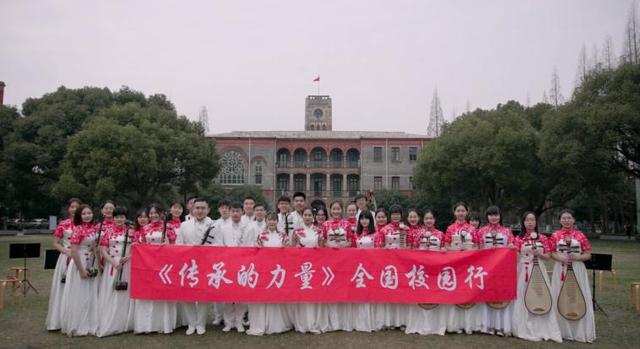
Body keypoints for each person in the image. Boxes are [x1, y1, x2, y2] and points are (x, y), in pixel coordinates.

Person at [512, 212, 562, 343]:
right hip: (524, 269)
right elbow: (516, 258)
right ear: (523, 222)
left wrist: (539, 253)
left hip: (539, 268)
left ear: (536, 222)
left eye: (532, 220)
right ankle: (523, 325)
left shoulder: (543, 238)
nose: (530, 222)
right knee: (523, 296)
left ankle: (541, 325)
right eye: (527, 220)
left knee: (540, 294)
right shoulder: (518, 238)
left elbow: (548, 256)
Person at [549, 209, 595, 343]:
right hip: (561, 269)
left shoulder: (580, 235)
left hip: (577, 268)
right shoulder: (555, 235)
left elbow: (588, 254)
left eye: (569, 218)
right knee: (560, 295)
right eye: (563, 218)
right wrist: (560, 258)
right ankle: (561, 330)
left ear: (574, 220)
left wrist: (578, 257)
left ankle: (578, 330)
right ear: (559, 220)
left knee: (577, 295)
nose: (566, 220)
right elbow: (551, 253)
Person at [133, 204, 177, 334]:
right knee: (148, 293)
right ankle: (147, 324)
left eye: (156, 213)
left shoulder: (168, 226)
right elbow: (141, 245)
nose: (153, 215)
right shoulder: (145, 228)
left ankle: (163, 324)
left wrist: (167, 245)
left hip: (164, 264)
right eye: (151, 213)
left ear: (162, 213)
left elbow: (174, 245)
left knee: (162, 292)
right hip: (148, 264)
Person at [247, 213, 292, 335]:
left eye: (274, 220)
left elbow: (288, 253)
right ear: (266, 221)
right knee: (263, 296)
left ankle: (276, 323)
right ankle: (262, 323)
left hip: (278, 272)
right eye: (269, 220)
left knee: (276, 296)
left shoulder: (283, 236)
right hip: (264, 270)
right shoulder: (261, 236)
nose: (272, 222)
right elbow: (256, 253)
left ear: (277, 222)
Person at [176, 198, 216, 335]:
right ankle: (191, 323)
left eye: (203, 208)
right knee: (188, 295)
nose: (200, 211)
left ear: (208, 210)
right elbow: (178, 245)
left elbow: (219, 246)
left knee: (203, 295)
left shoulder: (215, 225)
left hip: (206, 264)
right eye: (197, 208)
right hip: (188, 265)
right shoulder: (184, 225)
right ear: (192, 209)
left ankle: (201, 324)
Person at [405, 209, 447, 336]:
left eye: (431, 218)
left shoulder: (441, 234)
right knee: (421, 294)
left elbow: (445, 248)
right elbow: (412, 249)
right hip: (421, 269)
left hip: (436, 269)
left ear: (435, 220)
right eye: (427, 218)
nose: (429, 221)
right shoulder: (417, 233)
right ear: (423, 220)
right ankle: (420, 323)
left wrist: (443, 249)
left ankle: (435, 323)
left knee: (434, 294)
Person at [60, 204, 100, 336]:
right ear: (79, 216)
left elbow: (94, 246)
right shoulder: (77, 229)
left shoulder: (94, 228)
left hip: (90, 261)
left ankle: (89, 323)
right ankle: (77, 324)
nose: (87, 216)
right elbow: (74, 251)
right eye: (84, 214)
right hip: (79, 262)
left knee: (90, 293)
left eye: (89, 213)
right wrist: (81, 270)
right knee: (79, 293)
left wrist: (98, 263)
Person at [96, 206, 135, 337]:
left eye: (122, 217)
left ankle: (124, 321)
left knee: (125, 291)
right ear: (113, 218)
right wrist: (112, 262)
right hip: (112, 264)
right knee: (111, 290)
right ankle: (109, 319)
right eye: (117, 217)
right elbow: (103, 249)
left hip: (127, 264)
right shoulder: (108, 231)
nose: (119, 219)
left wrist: (128, 257)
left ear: (125, 218)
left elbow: (137, 248)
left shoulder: (132, 231)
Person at [444, 201, 482, 334]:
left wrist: (469, 249)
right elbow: (446, 245)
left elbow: (478, 246)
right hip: (455, 264)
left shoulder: (472, 229)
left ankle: (469, 324)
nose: (460, 213)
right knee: (455, 291)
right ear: (454, 212)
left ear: (467, 212)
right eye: (458, 211)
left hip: (468, 264)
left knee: (468, 290)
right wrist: (454, 249)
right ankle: (454, 323)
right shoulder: (450, 229)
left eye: (463, 211)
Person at [476, 205, 515, 337]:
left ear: (500, 216)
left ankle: (502, 325)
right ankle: (487, 325)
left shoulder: (507, 231)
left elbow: (512, 246)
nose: (494, 217)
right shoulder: (481, 231)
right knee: (487, 295)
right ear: (487, 217)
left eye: (496, 215)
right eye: (491, 215)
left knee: (501, 295)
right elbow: (479, 250)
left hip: (502, 268)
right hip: (487, 268)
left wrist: (511, 247)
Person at [46, 198, 82, 331]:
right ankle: (59, 320)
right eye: (72, 207)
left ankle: (76, 319)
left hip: (81, 259)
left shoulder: (85, 224)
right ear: (68, 208)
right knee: (63, 287)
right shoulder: (63, 224)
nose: (74, 209)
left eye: (77, 207)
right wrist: (67, 251)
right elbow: (55, 243)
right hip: (66, 258)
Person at [213, 202, 248, 332]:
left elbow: (249, 245)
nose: (235, 213)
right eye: (233, 211)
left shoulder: (247, 227)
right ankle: (228, 322)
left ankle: (239, 321)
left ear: (241, 212)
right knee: (228, 294)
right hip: (227, 264)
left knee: (241, 295)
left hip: (242, 265)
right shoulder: (222, 227)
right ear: (230, 212)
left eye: (238, 211)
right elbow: (218, 244)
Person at [319, 200, 354, 331]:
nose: (336, 211)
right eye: (334, 209)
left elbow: (351, 241)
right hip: (329, 259)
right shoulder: (325, 224)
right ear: (330, 210)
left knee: (343, 286)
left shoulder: (347, 224)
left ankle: (343, 320)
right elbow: (322, 242)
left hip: (344, 259)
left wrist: (344, 246)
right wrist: (329, 246)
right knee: (330, 286)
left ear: (342, 210)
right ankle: (331, 319)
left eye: (338, 209)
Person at [290, 207, 324, 333]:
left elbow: (322, 248)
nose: (308, 217)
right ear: (302, 217)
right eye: (305, 215)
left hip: (315, 267)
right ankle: (301, 324)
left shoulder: (319, 231)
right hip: (301, 267)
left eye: (310, 215)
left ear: (313, 217)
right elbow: (292, 250)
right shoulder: (296, 232)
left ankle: (314, 323)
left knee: (314, 294)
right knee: (302, 295)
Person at [350, 209, 377, 332]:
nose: (364, 221)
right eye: (362, 218)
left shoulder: (376, 234)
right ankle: (358, 321)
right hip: (358, 268)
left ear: (371, 220)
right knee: (359, 293)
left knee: (370, 294)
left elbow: (379, 251)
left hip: (371, 268)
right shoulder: (355, 234)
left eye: (367, 218)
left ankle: (371, 321)